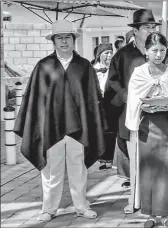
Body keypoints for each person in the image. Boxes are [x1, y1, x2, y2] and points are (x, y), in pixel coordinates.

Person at [13, 19, 106, 221]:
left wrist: (93, 123)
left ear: (73, 40)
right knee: (50, 170)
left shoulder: (84, 66)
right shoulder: (44, 66)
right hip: (50, 127)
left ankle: (81, 206)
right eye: (59, 38)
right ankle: (48, 209)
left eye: (67, 37)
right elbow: (34, 99)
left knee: (78, 169)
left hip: (79, 127)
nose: (64, 41)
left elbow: (92, 98)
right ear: (53, 41)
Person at [103, 8, 168, 214]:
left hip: (163, 118)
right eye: (147, 27)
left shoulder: (167, 55)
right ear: (136, 30)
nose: (150, 30)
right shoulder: (122, 55)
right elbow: (112, 85)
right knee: (135, 161)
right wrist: (131, 100)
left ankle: (161, 202)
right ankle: (134, 200)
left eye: (153, 27)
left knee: (160, 162)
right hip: (132, 115)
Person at [125, 31, 168, 228]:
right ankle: (150, 214)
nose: (158, 54)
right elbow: (133, 99)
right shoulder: (139, 72)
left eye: (162, 50)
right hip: (147, 126)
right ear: (145, 51)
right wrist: (144, 105)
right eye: (154, 50)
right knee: (149, 169)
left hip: (167, 125)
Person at [92, 43, 115, 170]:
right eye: (106, 53)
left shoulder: (114, 69)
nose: (109, 56)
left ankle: (109, 159)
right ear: (99, 55)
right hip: (97, 105)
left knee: (110, 132)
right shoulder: (92, 69)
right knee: (99, 132)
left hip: (110, 104)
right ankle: (101, 158)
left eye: (111, 53)